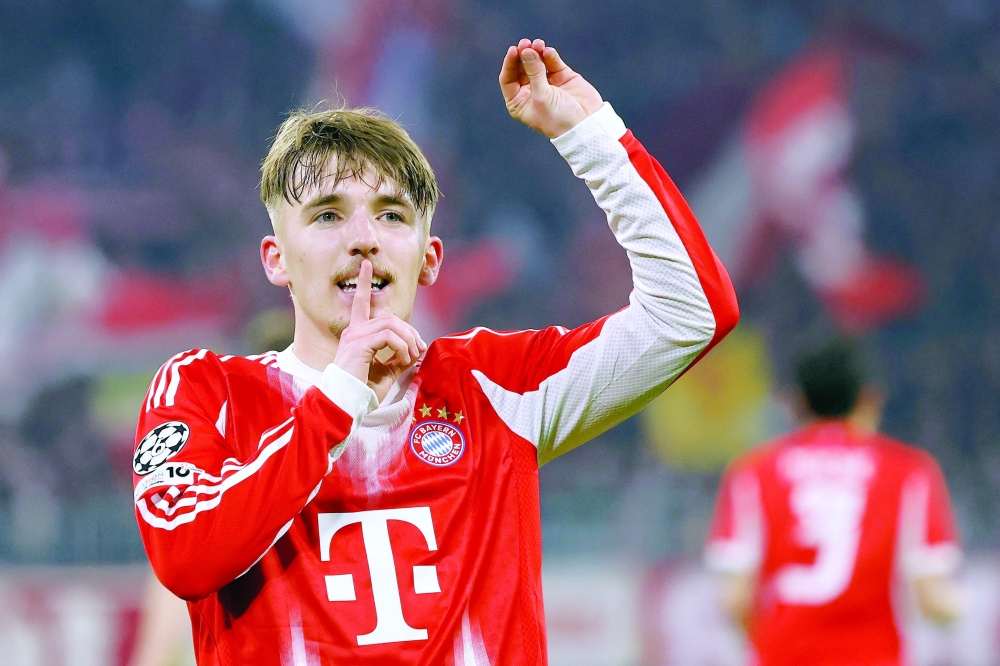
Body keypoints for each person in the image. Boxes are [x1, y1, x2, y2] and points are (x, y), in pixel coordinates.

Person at [132, 38, 739, 665]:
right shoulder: (205, 391)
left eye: (392, 216)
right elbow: (186, 557)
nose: (364, 239)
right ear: (276, 259)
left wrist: (590, 134)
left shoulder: (490, 387)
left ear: (430, 259)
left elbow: (690, 312)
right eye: (328, 216)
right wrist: (338, 398)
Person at [705, 338, 962, 666]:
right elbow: (933, 601)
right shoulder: (909, 471)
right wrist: (962, 607)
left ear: (795, 402)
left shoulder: (753, 472)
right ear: (869, 399)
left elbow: (735, 600)